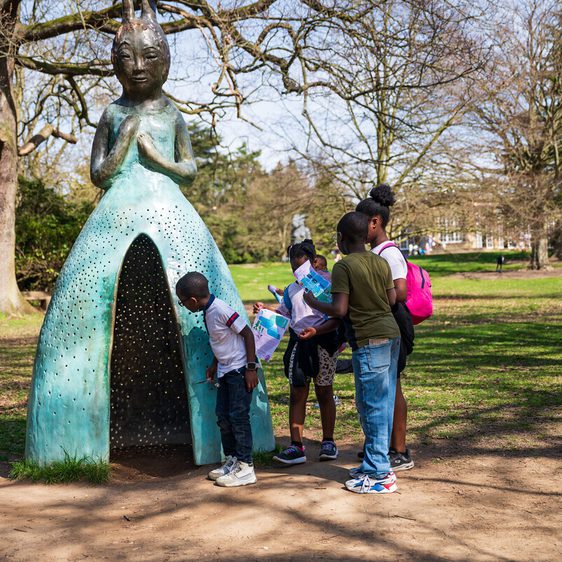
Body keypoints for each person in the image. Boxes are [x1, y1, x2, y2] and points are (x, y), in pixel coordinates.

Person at [305, 212, 400, 494]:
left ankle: (380, 474)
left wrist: (312, 302)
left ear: (342, 239)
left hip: (370, 339)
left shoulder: (344, 267)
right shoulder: (380, 261)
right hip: (390, 335)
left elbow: (339, 310)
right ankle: (374, 464)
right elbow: (392, 298)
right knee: (378, 403)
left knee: (373, 406)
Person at [253, 240, 341, 465]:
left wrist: (316, 331)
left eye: (301, 267)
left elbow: (336, 317)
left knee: (324, 391)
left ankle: (328, 442)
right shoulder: (292, 289)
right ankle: (296, 446)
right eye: (294, 268)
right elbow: (285, 314)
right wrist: (266, 311)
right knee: (298, 392)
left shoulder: (326, 284)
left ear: (312, 263)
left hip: (323, 344)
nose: (297, 272)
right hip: (299, 344)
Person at [176, 271, 259, 487]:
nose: (183, 305)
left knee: (238, 417)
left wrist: (251, 368)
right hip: (225, 371)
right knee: (223, 416)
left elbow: (247, 334)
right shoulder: (207, 311)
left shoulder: (220, 309)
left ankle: (246, 466)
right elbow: (219, 340)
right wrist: (214, 364)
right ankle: (232, 459)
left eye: (182, 301)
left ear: (193, 300)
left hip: (240, 370)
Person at [356, 184, 415, 471]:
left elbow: (400, 292)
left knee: (394, 387)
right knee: (383, 387)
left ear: (374, 222)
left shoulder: (389, 254)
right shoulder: (376, 251)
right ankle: (381, 447)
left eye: (360, 224)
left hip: (392, 325)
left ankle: (400, 451)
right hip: (380, 324)